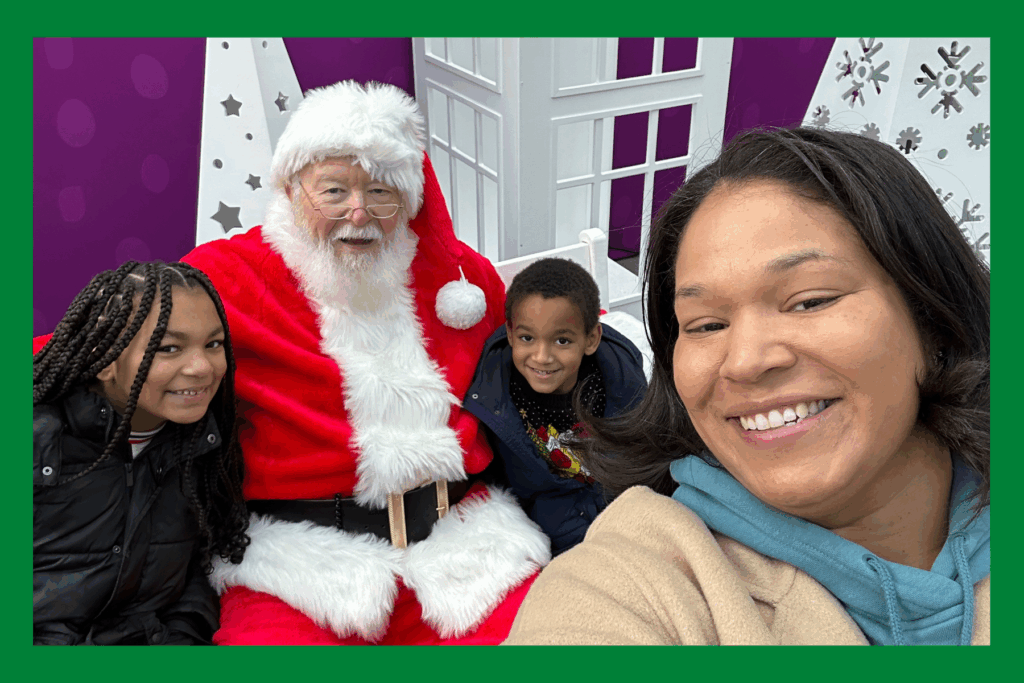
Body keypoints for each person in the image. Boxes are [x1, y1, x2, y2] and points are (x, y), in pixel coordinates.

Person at [504, 127, 990, 646]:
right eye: (706, 325)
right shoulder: (629, 584)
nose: (746, 362)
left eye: (811, 300)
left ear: (932, 318)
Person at [182, 80, 550, 645]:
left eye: (381, 192)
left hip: (470, 551)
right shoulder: (225, 278)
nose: (360, 212)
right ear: (291, 187)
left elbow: (556, 343)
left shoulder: (461, 282)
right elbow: (94, 345)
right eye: (334, 190)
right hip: (298, 569)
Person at [33, 261, 249, 645]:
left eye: (213, 344)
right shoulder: (36, 439)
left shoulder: (206, 448)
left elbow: (194, 582)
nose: (202, 367)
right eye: (169, 348)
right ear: (105, 360)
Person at [465, 258, 646, 556]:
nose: (542, 356)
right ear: (510, 334)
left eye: (562, 341)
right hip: (549, 534)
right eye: (527, 338)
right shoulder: (494, 394)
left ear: (591, 339)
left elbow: (644, 462)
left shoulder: (621, 383)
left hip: (623, 516)